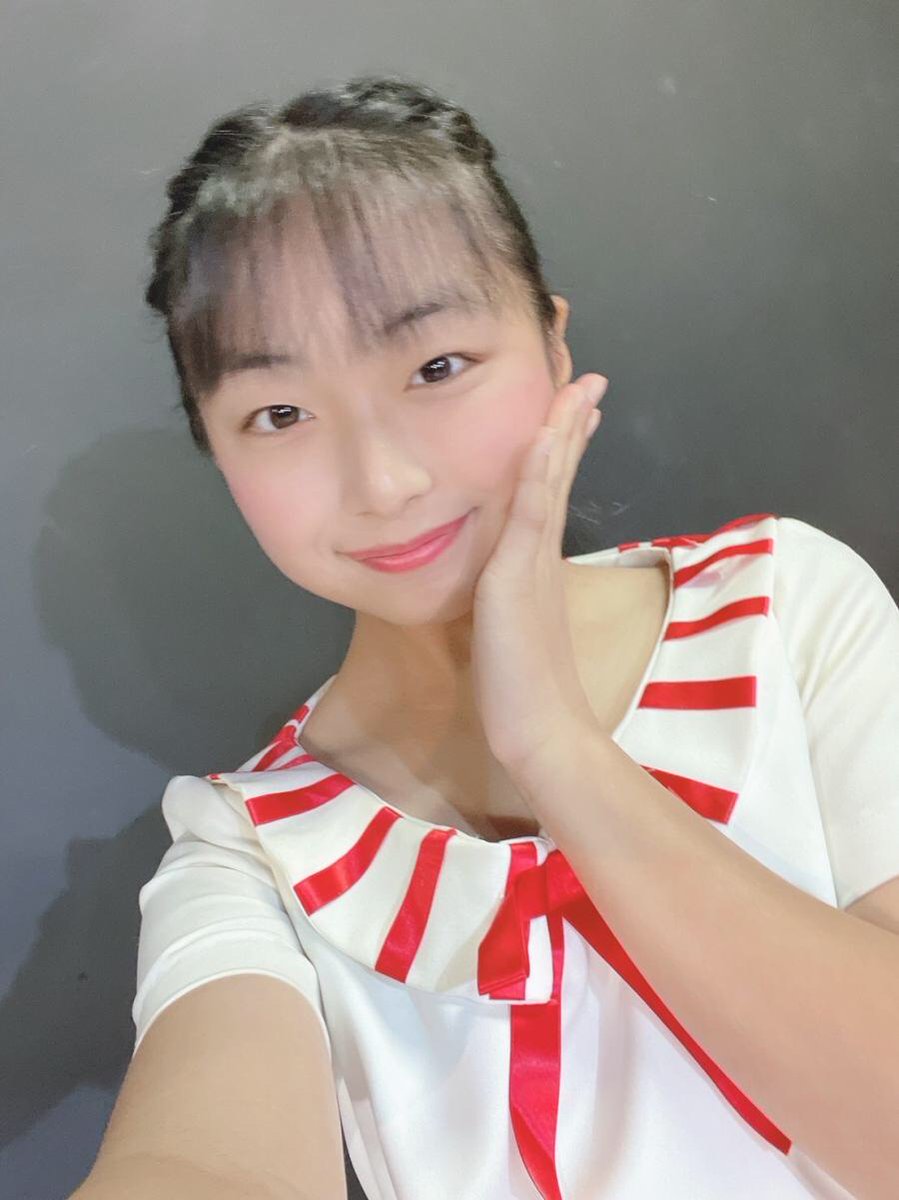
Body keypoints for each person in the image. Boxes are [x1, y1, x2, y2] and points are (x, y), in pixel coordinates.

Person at [72, 75, 899, 1200]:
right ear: (219, 454)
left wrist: (555, 746)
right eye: (280, 414)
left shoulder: (780, 610)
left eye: (436, 368)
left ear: (552, 346)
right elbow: (200, 1161)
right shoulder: (252, 853)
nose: (383, 480)